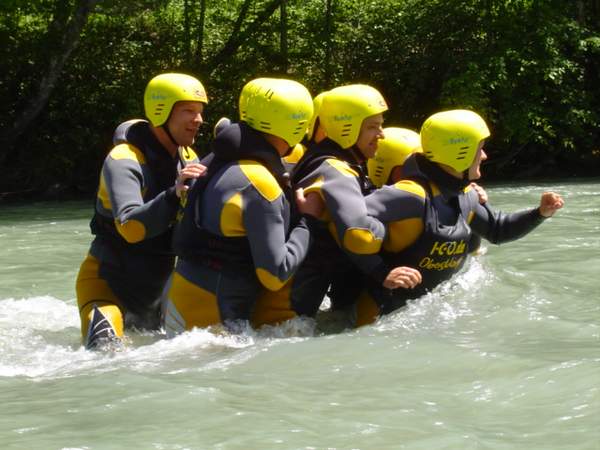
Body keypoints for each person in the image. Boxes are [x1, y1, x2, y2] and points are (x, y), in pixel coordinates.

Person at [354, 109, 564, 326]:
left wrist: (539, 214)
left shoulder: (467, 196)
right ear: (459, 152)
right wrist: (381, 272)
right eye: (480, 149)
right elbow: (346, 221)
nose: (484, 156)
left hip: (420, 317)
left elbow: (498, 230)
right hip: (376, 316)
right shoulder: (411, 195)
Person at [163, 77, 322, 335]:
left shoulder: (220, 159)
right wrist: (308, 222)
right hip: (211, 317)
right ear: (297, 124)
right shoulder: (259, 184)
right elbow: (274, 274)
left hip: (182, 297)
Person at [252, 84, 412, 327]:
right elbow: (360, 236)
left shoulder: (327, 159)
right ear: (346, 127)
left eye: (380, 125)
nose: (381, 134)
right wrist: (388, 240)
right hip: (287, 306)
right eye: (372, 126)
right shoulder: (336, 170)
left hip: (293, 297)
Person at [75, 73, 208, 349]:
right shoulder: (124, 159)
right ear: (161, 111)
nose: (198, 120)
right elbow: (131, 228)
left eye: (200, 112)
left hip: (157, 293)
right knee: (106, 354)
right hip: (109, 287)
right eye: (188, 111)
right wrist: (174, 195)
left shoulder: (188, 159)